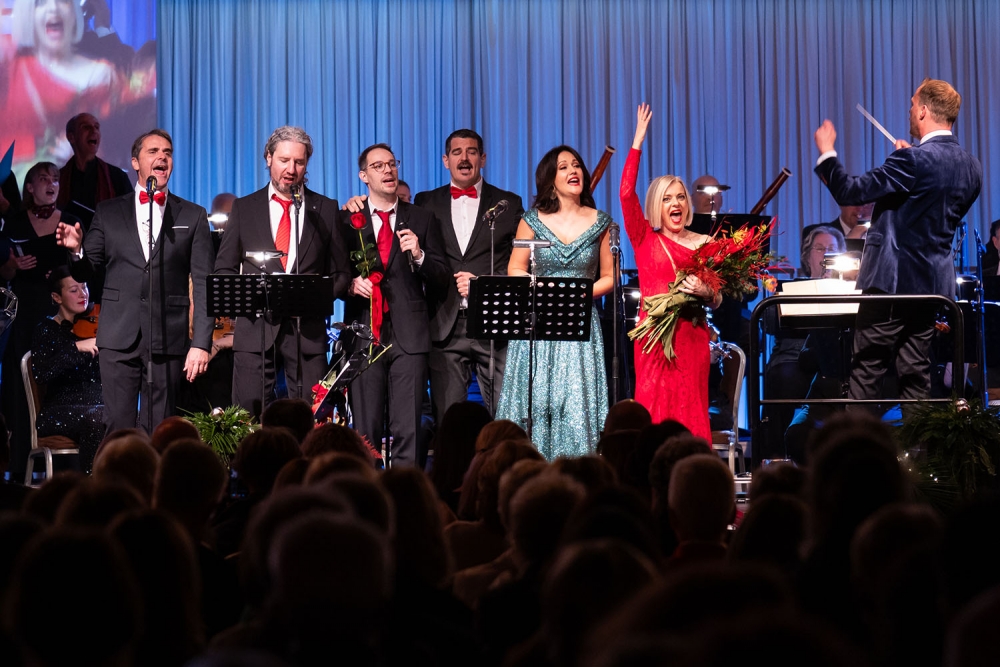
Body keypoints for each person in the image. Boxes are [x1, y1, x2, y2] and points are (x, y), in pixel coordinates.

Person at [814, 78, 982, 407]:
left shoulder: (913, 162)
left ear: (922, 110)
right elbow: (928, 210)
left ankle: (859, 456)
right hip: (932, 289)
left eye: (911, 105)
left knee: (865, 371)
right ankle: (920, 457)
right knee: (916, 373)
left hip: (891, 287)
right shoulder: (971, 167)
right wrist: (909, 164)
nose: (908, 111)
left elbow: (850, 191)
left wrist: (827, 153)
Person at [56, 128, 215, 434]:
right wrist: (76, 250)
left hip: (167, 337)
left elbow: (204, 283)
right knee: (118, 426)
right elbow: (87, 270)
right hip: (118, 335)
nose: (162, 157)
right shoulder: (109, 211)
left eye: (167, 153)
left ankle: (156, 483)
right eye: (153, 152)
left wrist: (201, 344)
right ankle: (118, 482)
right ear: (135, 163)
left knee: (161, 428)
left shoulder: (192, 215)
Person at [215, 126, 349, 414]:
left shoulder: (325, 209)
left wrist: (316, 297)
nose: (291, 169)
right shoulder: (244, 208)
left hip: (308, 334)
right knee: (247, 421)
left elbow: (341, 274)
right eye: (284, 160)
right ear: (268, 158)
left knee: (311, 421)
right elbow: (224, 268)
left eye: (299, 162)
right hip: (255, 331)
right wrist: (251, 297)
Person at [496, 145, 613, 459]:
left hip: (580, 325)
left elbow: (609, 276)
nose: (573, 171)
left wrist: (576, 295)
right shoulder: (532, 220)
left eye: (576, 165)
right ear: (549, 179)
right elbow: (515, 268)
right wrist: (544, 291)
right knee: (537, 401)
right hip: (538, 322)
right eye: (563, 167)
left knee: (575, 404)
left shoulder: (602, 222)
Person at [338, 143, 449, 468]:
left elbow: (442, 275)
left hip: (409, 336)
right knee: (365, 432)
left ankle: (405, 500)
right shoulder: (348, 219)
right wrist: (348, 285)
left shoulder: (421, 218)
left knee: (408, 430)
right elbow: (334, 273)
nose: (388, 170)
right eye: (378, 166)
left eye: (391, 164)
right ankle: (367, 502)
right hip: (364, 335)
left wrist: (420, 256)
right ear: (363, 176)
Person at [619, 104, 721, 440]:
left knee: (692, 410)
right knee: (653, 410)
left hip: (691, 336)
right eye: (666, 199)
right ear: (655, 206)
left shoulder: (705, 242)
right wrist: (637, 141)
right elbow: (624, 193)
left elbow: (718, 298)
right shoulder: (643, 237)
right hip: (652, 339)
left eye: (679, 197)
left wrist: (707, 293)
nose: (675, 203)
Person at [413, 129, 524, 419]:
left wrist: (484, 285)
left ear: (483, 158)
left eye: (472, 151)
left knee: (506, 416)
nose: (464, 158)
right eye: (457, 152)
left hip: (494, 323)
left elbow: (519, 261)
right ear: (445, 160)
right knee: (449, 420)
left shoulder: (508, 202)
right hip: (445, 325)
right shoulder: (425, 202)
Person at [1, 162, 84, 477]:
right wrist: (14, 266)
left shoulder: (72, 222)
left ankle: (70, 470)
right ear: (30, 188)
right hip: (26, 314)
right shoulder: (14, 223)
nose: (51, 184)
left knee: (64, 384)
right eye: (43, 179)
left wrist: (70, 263)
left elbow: (86, 270)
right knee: (23, 389)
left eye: (56, 179)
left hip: (64, 317)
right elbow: (4, 272)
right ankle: (22, 466)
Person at [1, 0, 119, 169]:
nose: (53, 8)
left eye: (63, 1)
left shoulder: (100, 75)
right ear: (28, 14)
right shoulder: (11, 65)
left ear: (74, 12)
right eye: (41, 2)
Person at [30, 267, 103, 472]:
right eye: (74, 290)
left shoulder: (98, 324)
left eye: (84, 287)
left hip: (100, 405)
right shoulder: (46, 329)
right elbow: (41, 373)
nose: (83, 294)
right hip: (59, 410)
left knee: (138, 415)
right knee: (97, 418)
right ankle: (91, 489)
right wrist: (76, 347)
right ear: (57, 297)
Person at [56, 113, 133, 229]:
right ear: (71, 137)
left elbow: (131, 217)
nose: (94, 131)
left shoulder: (116, 177)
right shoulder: (58, 179)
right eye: (86, 127)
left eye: (96, 127)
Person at [803, 202, 874, 241]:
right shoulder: (815, 233)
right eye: (853, 203)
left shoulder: (880, 235)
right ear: (841, 204)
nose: (860, 209)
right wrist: (851, 240)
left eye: (866, 203)